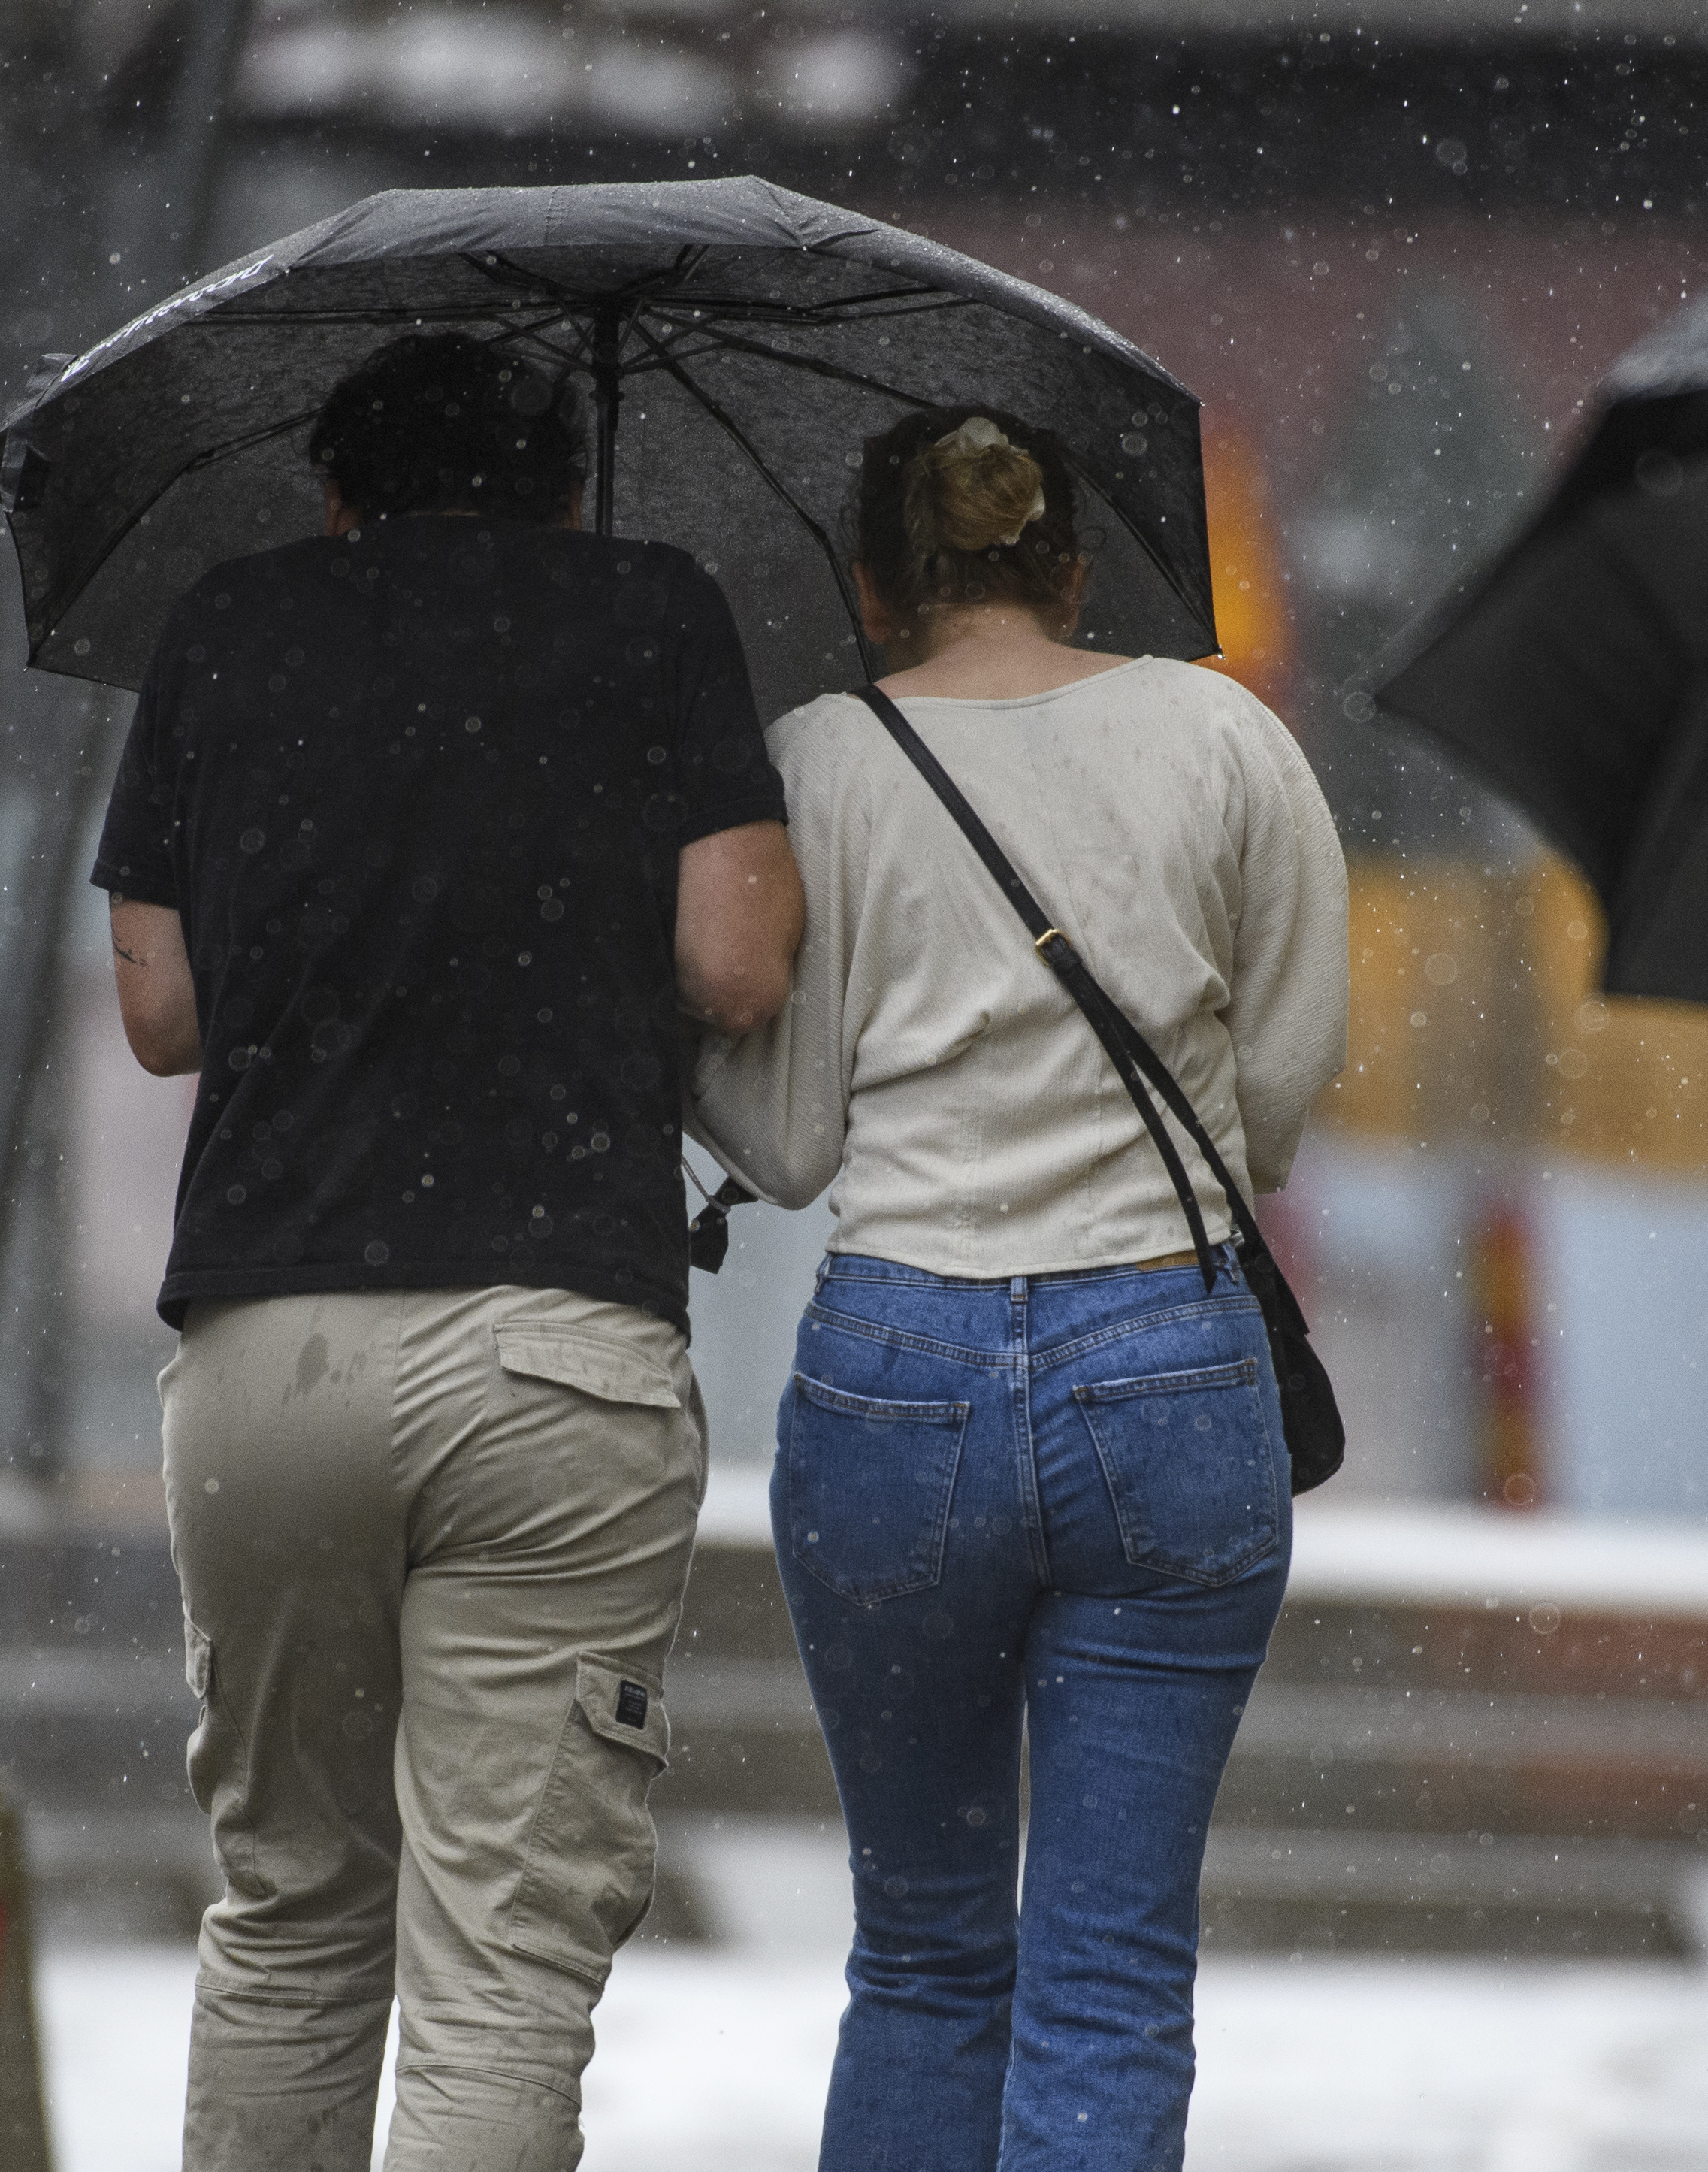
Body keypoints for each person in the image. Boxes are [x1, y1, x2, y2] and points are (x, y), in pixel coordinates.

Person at [98, 331, 799, 2172]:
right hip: (552, 1339)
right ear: (565, 484)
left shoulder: (226, 626)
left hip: (266, 1346)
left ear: (338, 489)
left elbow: (161, 1013)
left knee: (288, 1909)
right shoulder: (654, 612)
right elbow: (740, 964)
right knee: (496, 1965)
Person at [688, 404, 1348, 2168]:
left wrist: (689, 1062)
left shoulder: (820, 755)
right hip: (1166, 1358)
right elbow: (1270, 1098)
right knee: (1113, 1972)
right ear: (1073, 562)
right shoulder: (1226, 735)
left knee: (920, 1950)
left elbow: (796, 1136)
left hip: (898, 1365)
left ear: (872, 582)